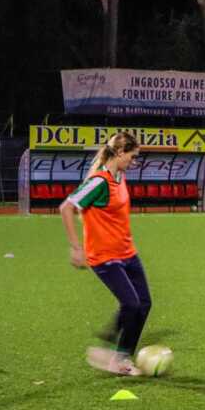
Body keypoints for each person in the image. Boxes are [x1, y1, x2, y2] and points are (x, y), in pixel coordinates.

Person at [59, 131, 151, 376]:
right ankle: (120, 359)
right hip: (105, 257)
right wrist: (76, 247)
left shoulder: (120, 177)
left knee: (144, 304)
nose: (134, 162)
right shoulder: (99, 182)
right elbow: (66, 208)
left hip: (128, 253)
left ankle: (118, 349)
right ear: (120, 152)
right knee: (131, 304)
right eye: (132, 157)